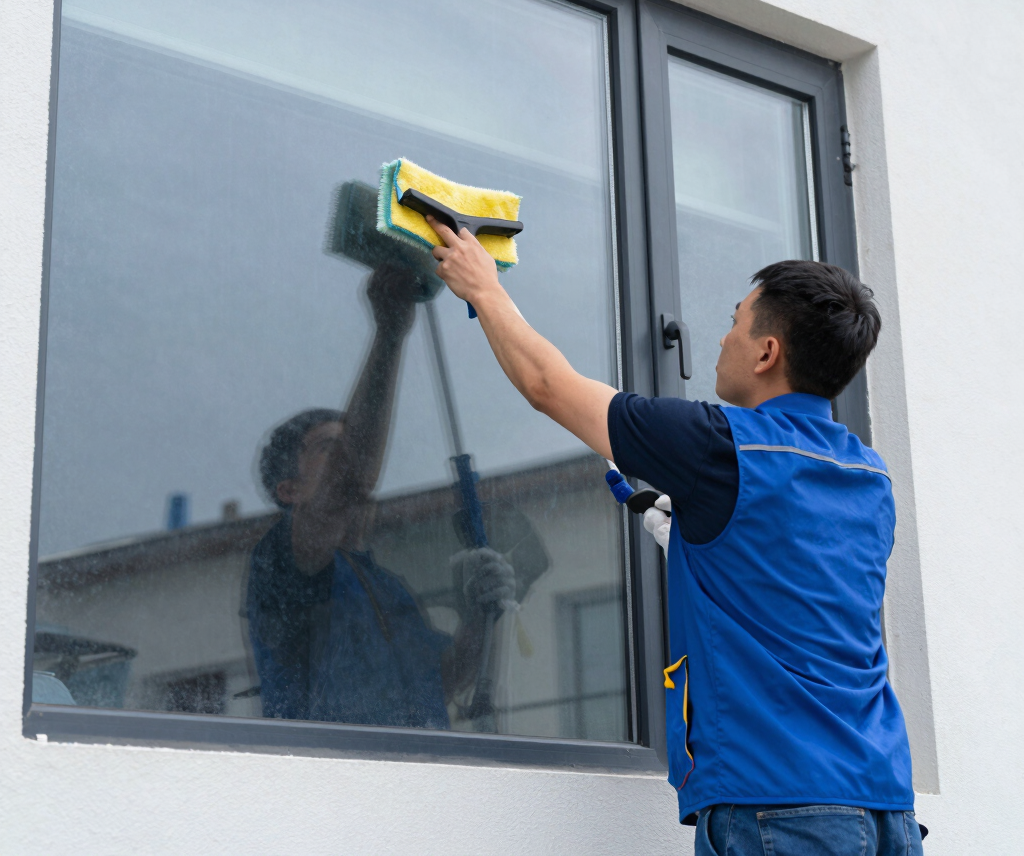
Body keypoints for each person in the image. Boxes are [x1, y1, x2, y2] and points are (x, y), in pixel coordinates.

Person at [426, 214, 925, 856]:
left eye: (735, 323)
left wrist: (484, 290)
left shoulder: (720, 447)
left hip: (780, 808)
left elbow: (548, 385)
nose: (720, 340)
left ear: (768, 352)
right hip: (885, 806)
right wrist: (700, 534)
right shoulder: (868, 475)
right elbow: (798, 582)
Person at [246, 263, 515, 729]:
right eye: (330, 448)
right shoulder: (283, 563)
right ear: (288, 491)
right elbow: (349, 482)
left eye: (349, 444)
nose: (351, 456)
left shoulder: (383, 587)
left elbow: (444, 680)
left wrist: (479, 615)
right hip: (332, 781)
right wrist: (390, 332)